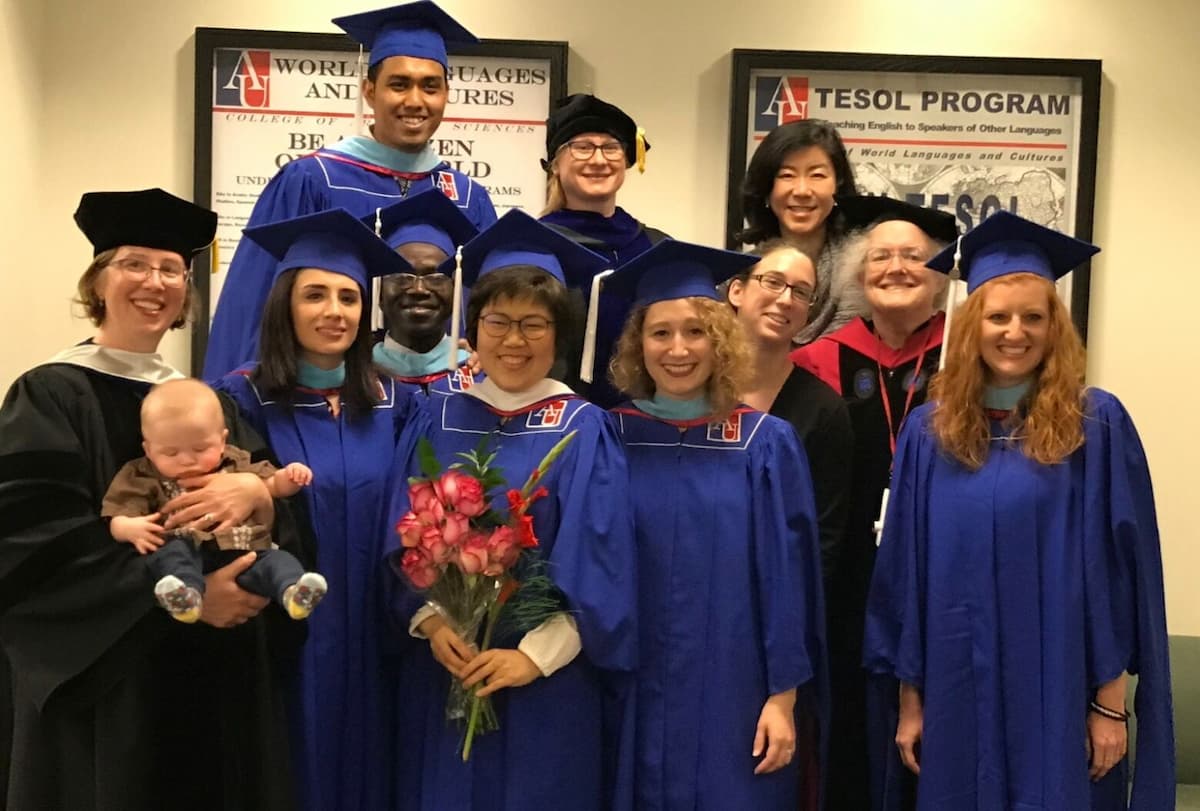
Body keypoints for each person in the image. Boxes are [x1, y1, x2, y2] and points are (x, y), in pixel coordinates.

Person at [0, 188, 305, 809]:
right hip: (114, 689)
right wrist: (183, 600)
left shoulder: (207, 404)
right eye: (134, 263)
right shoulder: (49, 394)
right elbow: (29, 542)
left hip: (218, 682)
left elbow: (276, 516)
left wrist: (261, 496)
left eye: (171, 269)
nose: (154, 282)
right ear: (98, 281)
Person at [864, 211, 1174, 809]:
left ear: (1055, 328)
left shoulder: (1095, 424)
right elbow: (905, 577)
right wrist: (911, 702)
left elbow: (1119, 575)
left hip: (1062, 689)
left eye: (1033, 317)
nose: (1015, 332)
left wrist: (1108, 706)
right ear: (972, 327)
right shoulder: (931, 433)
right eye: (998, 317)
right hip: (956, 688)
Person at [388, 210, 637, 810]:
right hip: (447, 668)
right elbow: (398, 533)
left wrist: (534, 656)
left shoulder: (584, 427)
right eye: (497, 321)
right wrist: (432, 621)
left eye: (534, 324)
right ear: (471, 328)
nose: (514, 340)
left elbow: (601, 559)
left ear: (559, 335)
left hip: (543, 683)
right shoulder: (436, 414)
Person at [601, 239, 827, 810]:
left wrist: (782, 696)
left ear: (720, 340)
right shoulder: (607, 437)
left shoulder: (765, 442)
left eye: (696, 332)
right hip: (626, 683)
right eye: (660, 333)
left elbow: (788, 580)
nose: (678, 349)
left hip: (735, 685)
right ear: (637, 344)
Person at [214, 208, 416, 811]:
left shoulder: (395, 401)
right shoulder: (242, 397)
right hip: (287, 634)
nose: (335, 311)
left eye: (349, 297)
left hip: (381, 628)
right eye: (315, 295)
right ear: (285, 305)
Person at [203, 0, 497, 380]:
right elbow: (253, 302)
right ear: (369, 91)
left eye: (430, 87)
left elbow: (486, 308)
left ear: (446, 95)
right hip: (328, 402)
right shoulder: (311, 179)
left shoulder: (469, 197)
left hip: (443, 401)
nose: (415, 101)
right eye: (398, 84)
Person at [790, 195, 958, 811]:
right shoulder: (814, 361)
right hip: (848, 581)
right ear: (860, 277)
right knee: (852, 731)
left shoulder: (970, 356)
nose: (895, 267)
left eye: (912, 256)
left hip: (943, 575)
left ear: (940, 274)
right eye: (880, 257)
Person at [104, 377, 327, 624]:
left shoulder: (236, 462)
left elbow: (272, 485)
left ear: (222, 440)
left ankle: (294, 593)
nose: (187, 460)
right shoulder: (142, 474)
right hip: (186, 546)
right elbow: (117, 513)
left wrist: (290, 477)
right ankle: (186, 597)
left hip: (243, 549)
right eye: (171, 452)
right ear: (148, 449)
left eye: (200, 449)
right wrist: (127, 528)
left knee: (278, 561)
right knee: (171, 557)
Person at [725, 241, 853, 582]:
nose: (785, 299)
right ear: (737, 290)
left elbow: (824, 537)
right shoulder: (693, 393)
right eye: (773, 281)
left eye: (801, 292)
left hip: (777, 595)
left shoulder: (824, 410)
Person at [538, 93, 668, 405]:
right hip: (553, 420)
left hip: (644, 421)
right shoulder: (534, 245)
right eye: (582, 147)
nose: (598, 160)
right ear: (555, 164)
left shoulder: (655, 246)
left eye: (611, 147)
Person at [737, 119, 859, 344]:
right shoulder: (739, 274)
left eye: (817, 175)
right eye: (787, 175)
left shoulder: (861, 274)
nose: (802, 190)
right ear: (767, 188)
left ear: (838, 185)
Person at [367, 190, 481, 396]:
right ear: (379, 290)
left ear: (455, 289)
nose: (419, 289)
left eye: (435, 277)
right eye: (403, 276)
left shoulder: (482, 380)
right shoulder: (356, 377)